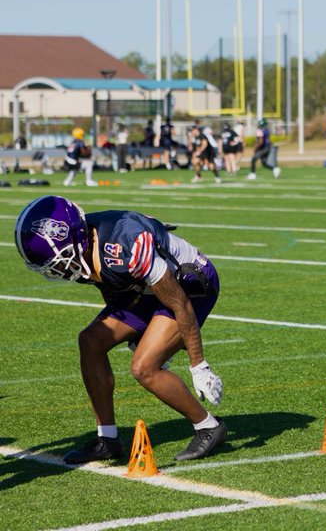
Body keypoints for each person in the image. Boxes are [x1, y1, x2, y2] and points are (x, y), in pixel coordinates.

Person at [13, 195, 226, 463]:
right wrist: (136, 332)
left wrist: (199, 366)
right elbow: (112, 285)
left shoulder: (126, 244)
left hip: (189, 284)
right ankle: (108, 439)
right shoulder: (86, 244)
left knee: (144, 367)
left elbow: (180, 303)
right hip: (140, 290)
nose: (57, 269)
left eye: (58, 260)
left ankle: (208, 426)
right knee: (90, 341)